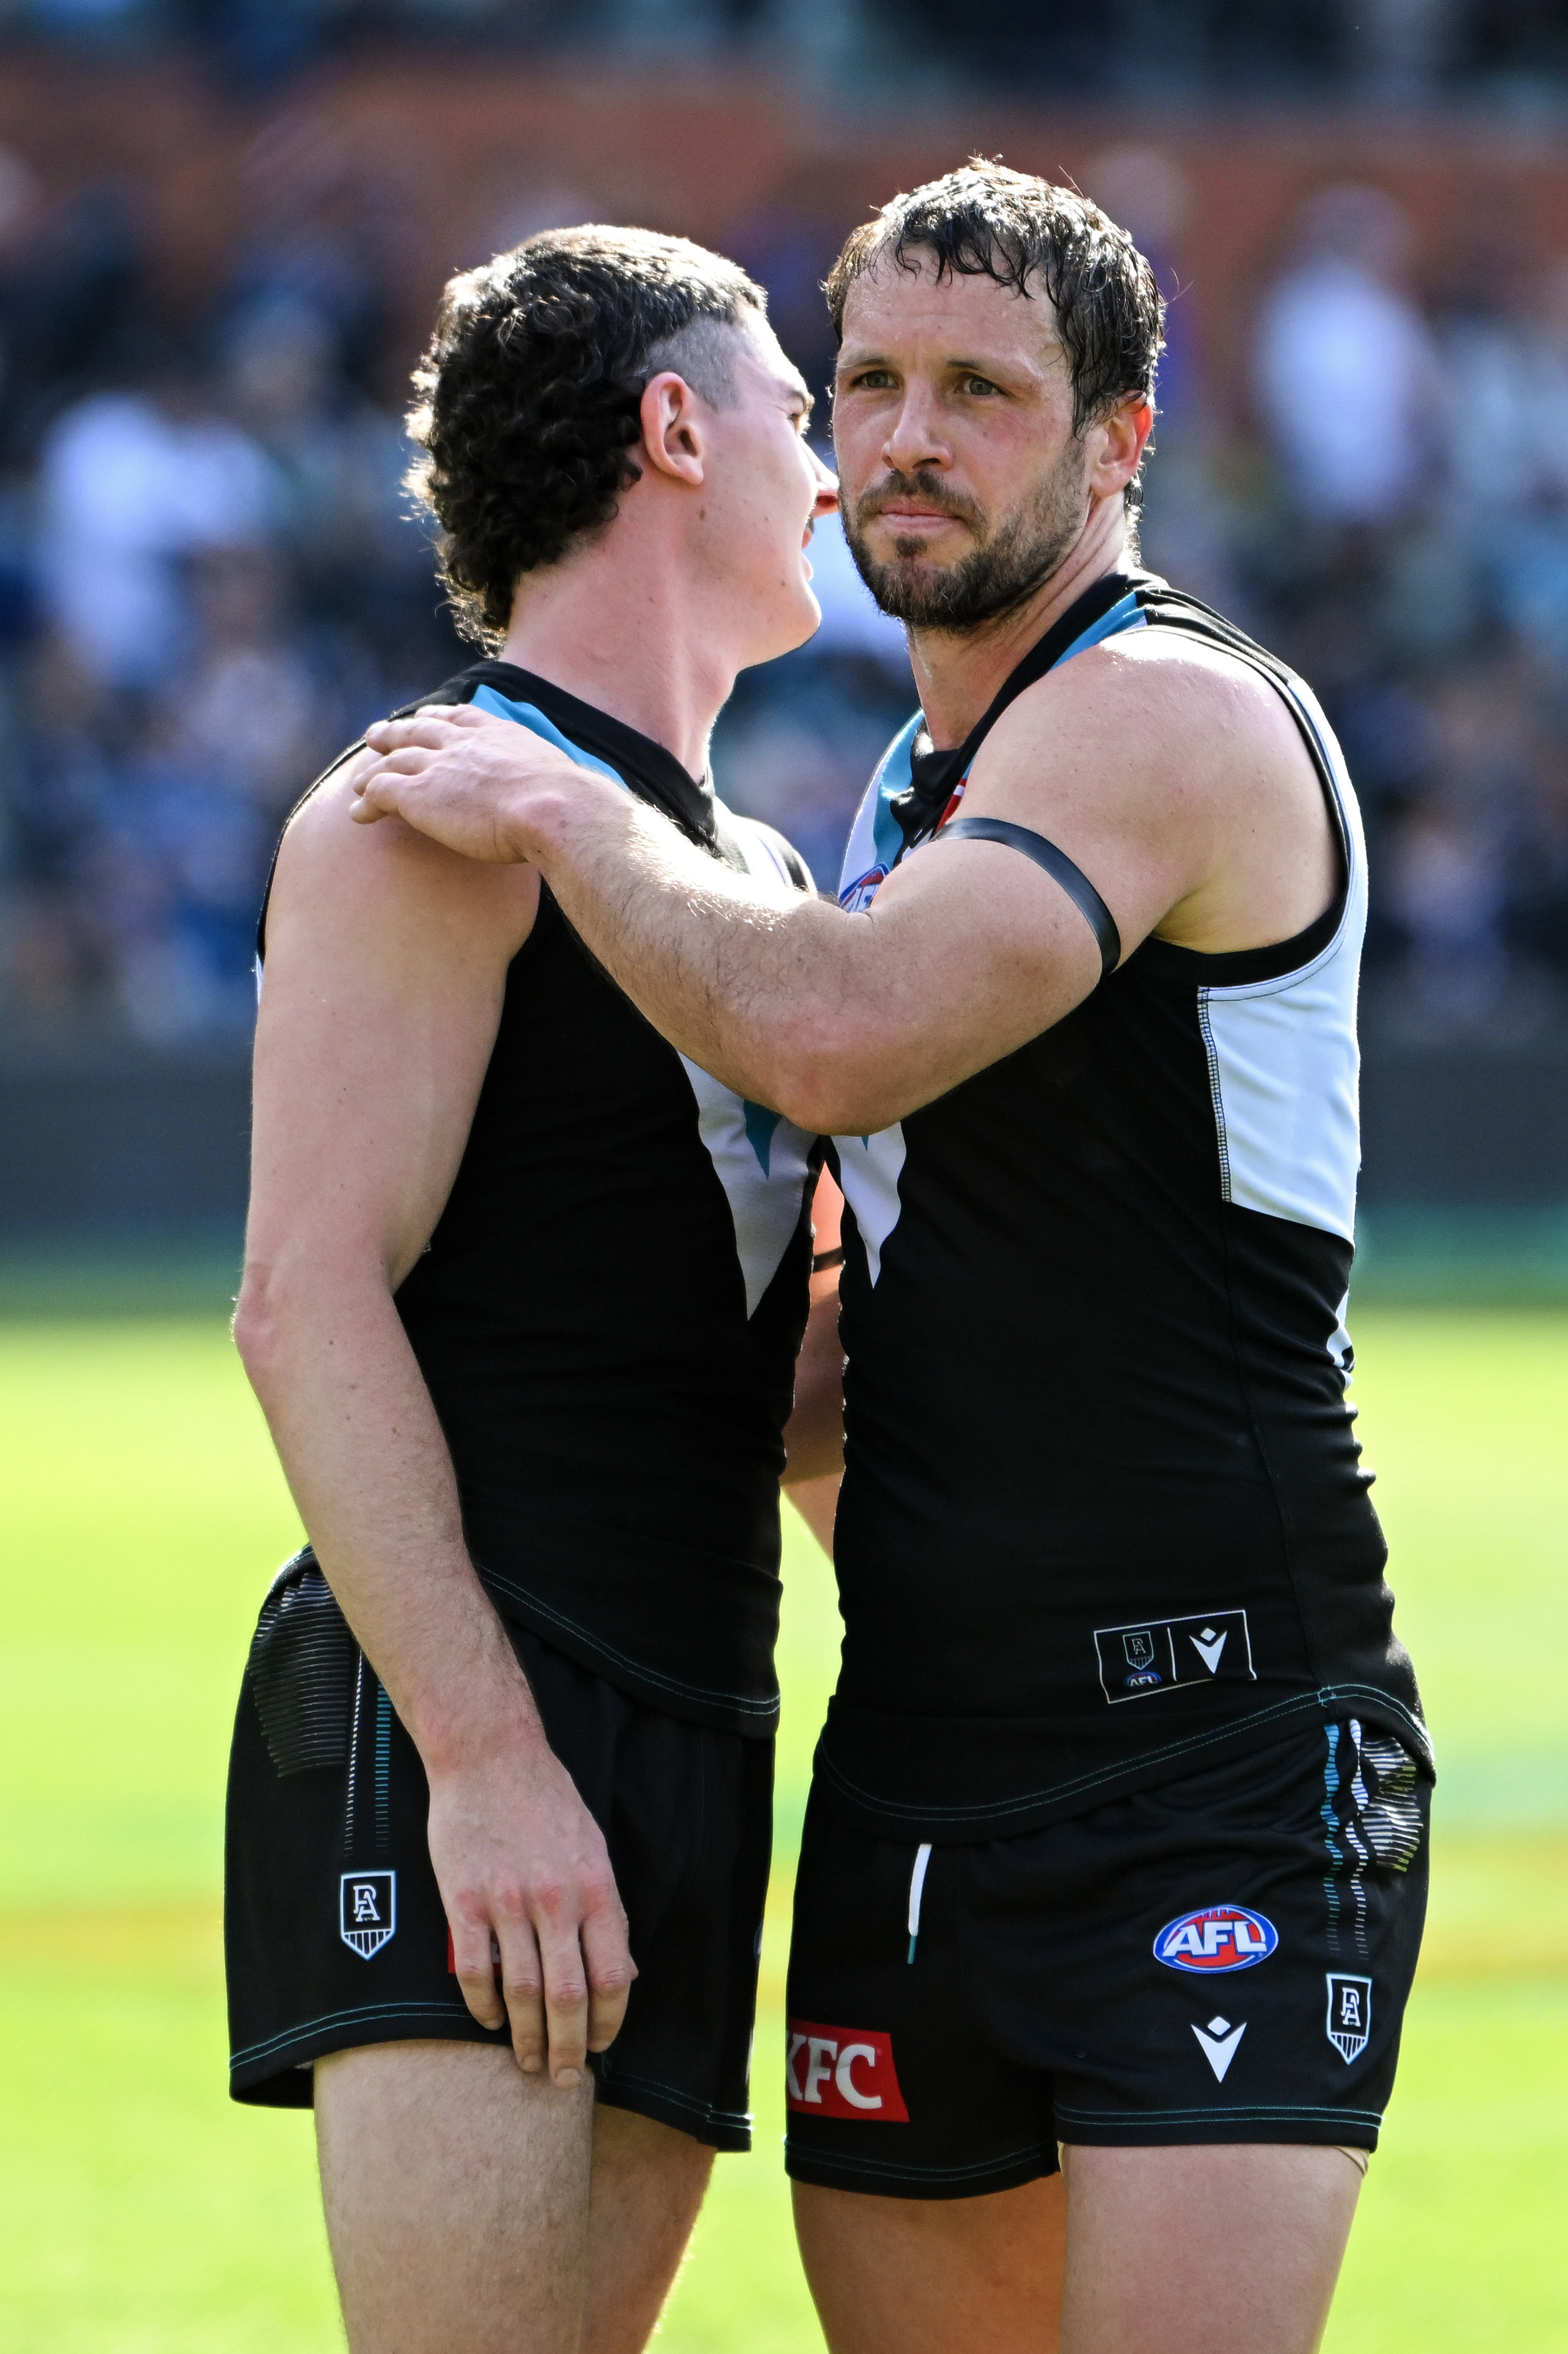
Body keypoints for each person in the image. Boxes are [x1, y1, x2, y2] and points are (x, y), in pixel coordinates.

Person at [353, 164, 1433, 2354]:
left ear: (1119, 443)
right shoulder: (894, 803)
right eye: (868, 383)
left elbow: (832, 1037)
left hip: (1216, 1741)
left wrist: (564, 805)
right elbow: (861, 1347)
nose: (907, 439)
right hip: (926, 1750)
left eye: (982, 392)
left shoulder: (1159, 708)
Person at [225, 224, 844, 2354]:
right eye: (793, 408)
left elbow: (771, 1381)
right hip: (477, 1707)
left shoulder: (755, 879)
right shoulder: (419, 813)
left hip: (700, 1711)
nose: (828, 470)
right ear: (672, 428)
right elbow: (304, 1301)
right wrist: (487, 1763)